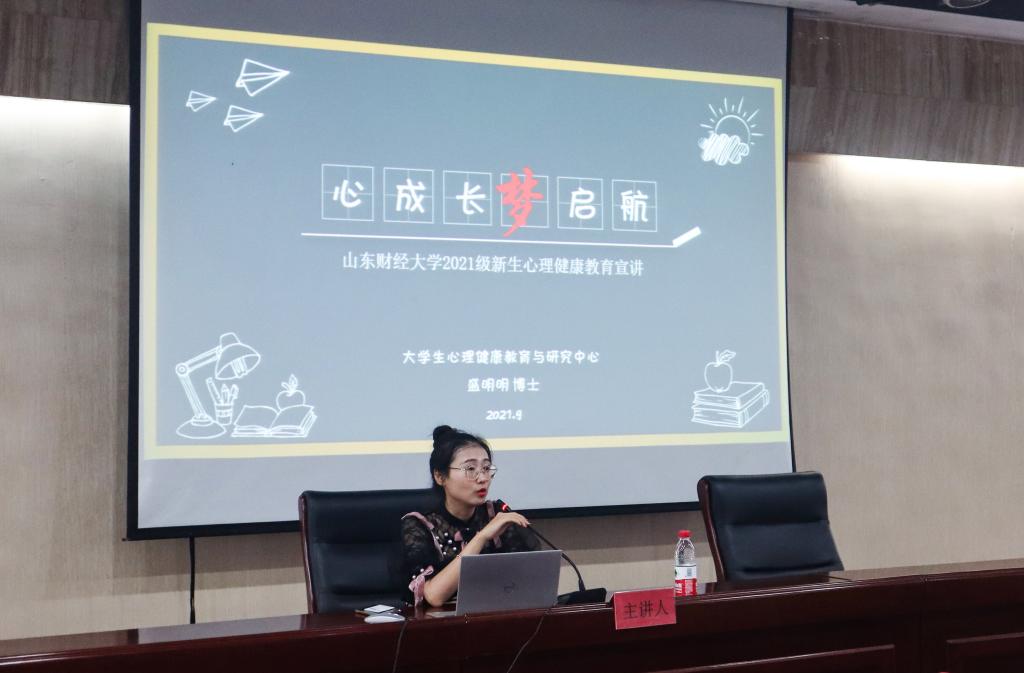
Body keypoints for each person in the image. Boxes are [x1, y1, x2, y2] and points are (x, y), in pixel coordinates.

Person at [401, 424, 539, 606]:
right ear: (440, 476)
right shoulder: (418, 525)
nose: (483, 478)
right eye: (470, 469)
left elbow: (530, 581)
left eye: (486, 468)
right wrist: (481, 537)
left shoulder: (496, 514)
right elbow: (434, 596)